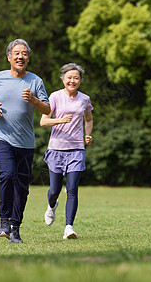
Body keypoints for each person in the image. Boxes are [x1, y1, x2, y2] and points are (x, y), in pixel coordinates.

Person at [0, 39, 50, 243]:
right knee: (7, 174)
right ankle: (3, 221)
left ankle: (15, 228)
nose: (21, 57)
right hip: (2, 137)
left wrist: (34, 101)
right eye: (17, 53)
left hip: (26, 142)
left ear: (28, 58)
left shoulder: (35, 81)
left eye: (25, 53)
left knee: (22, 186)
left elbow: (47, 109)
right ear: (9, 57)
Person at [40, 63, 93, 239]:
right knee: (54, 190)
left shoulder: (84, 99)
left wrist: (88, 135)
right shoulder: (55, 96)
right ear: (63, 79)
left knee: (72, 189)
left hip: (77, 149)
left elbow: (89, 118)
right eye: (69, 77)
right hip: (56, 148)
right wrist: (60, 120)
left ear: (80, 81)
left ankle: (69, 227)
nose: (72, 80)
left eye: (76, 77)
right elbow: (43, 121)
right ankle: (51, 205)